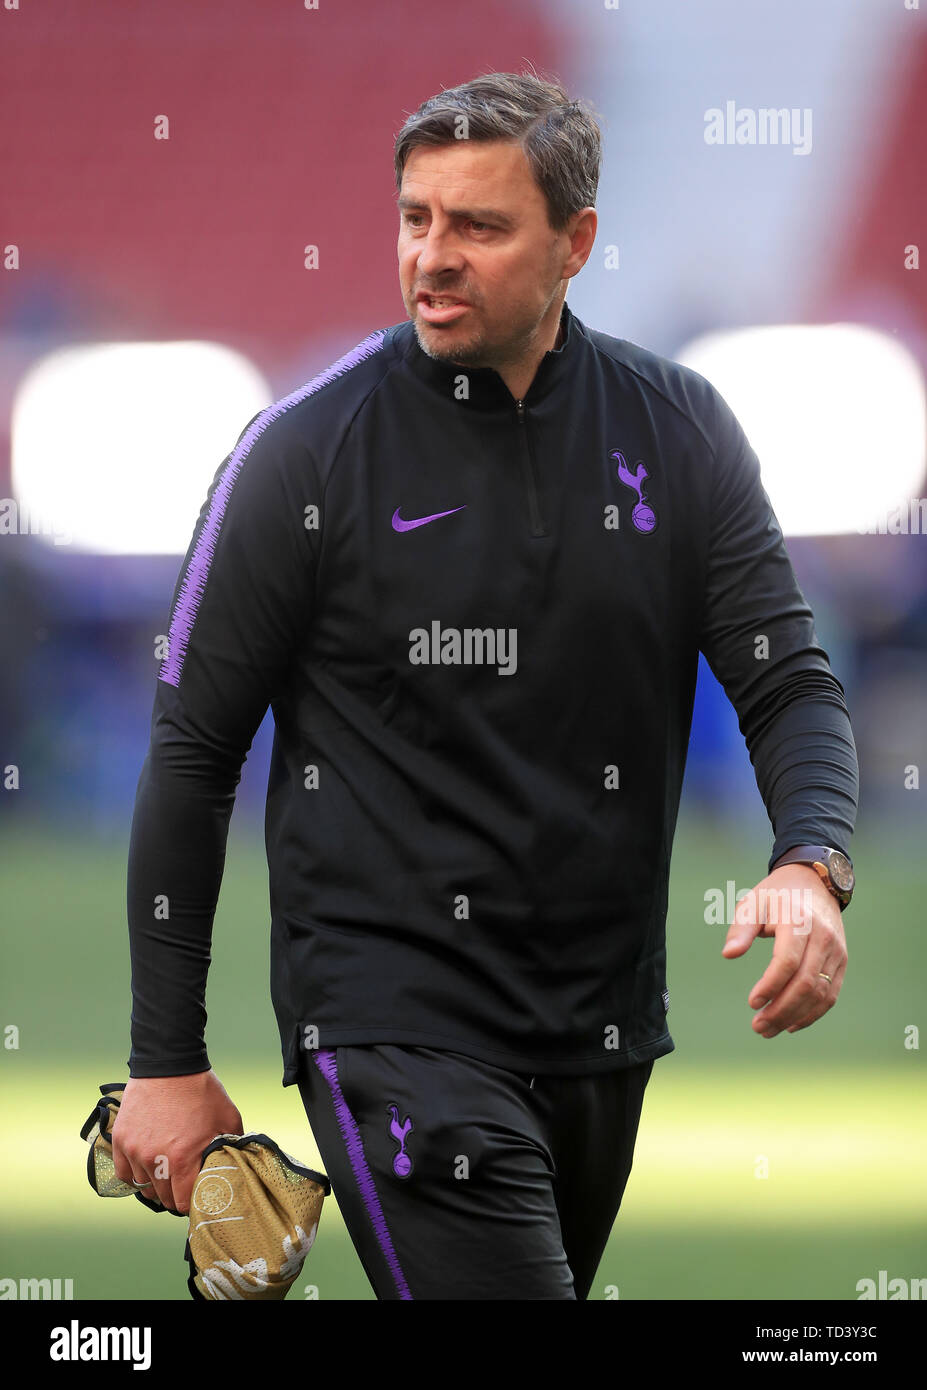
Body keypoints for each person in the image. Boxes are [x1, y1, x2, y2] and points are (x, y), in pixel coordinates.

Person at [113, 71, 858, 1300]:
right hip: (386, 1016)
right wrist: (165, 1059)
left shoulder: (680, 432)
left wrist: (808, 863)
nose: (432, 258)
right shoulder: (305, 452)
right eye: (416, 218)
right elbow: (193, 751)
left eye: (478, 225)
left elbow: (789, 685)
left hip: (602, 1025)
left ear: (576, 245)